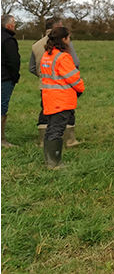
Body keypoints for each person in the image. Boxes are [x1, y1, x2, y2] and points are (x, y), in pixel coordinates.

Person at [30, 16, 81, 147]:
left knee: (45, 112)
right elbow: (74, 64)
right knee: (65, 115)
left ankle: (43, 141)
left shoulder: (36, 45)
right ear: (58, 28)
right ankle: (69, 140)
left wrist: (46, 77)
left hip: (45, 86)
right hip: (64, 88)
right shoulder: (64, 47)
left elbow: (32, 68)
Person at [39, 27, 85, 169]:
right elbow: (74, 78)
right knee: (57, 130)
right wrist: (81, 88)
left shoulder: (47, 55)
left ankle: (49, 160)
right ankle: (54, 163)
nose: (69, 41)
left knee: (51, 128)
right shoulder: (63, 57)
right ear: (64, 39)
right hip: (61, 100)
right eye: (69, 38)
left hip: (49, 98)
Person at [1, 14, 20, 148]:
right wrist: (14, 77)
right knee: (2, 107)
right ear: (9, 26)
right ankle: (2, 140)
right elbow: (13, 61)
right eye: (14, 23)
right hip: (4, 78)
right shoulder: (8, 40)